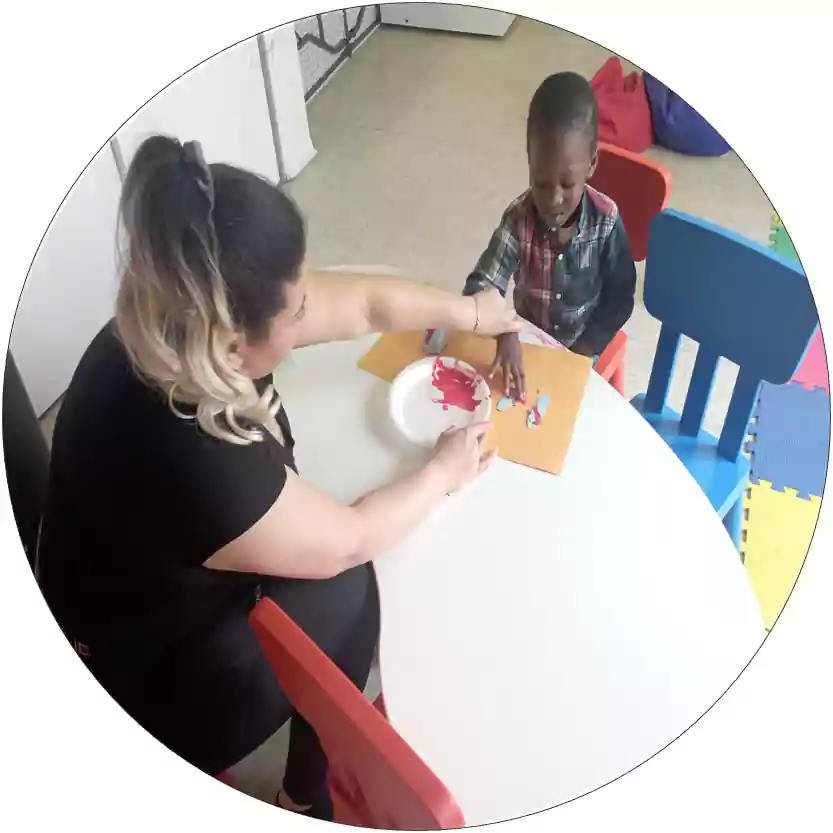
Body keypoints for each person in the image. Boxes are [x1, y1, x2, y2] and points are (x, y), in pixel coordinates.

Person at [36, 135, 520, 820]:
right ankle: (302, 794)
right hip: (138, 685)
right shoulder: (200, 458)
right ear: (234, 343)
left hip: (120, 584)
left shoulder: (173, 314)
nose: (307, 313)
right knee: (349, 595)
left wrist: (471, 314)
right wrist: (444, 470)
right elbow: (349, 538)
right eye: (293, 313)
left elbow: (362, 305)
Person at [462, 71, 637, 399]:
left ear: (592, 164)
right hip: (528, 339)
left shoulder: (606, 221)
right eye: (541, 183)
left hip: (584, 342)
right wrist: (505, 330)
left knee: (573, 415)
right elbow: (480, 285)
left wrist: (583, 350)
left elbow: (621, 298)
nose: (554, 200)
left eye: (567, 184)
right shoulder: (519, 219)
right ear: (530, 163)